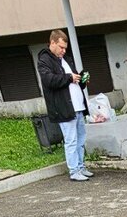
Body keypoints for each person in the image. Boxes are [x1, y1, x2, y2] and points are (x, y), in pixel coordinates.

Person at [38, 30, 92, 181]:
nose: (63, 51)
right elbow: (49, 80)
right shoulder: (44, 60)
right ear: (52, 43)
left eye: (65, 48)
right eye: (61, 47)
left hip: (78, 107)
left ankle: (81, 166)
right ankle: (74, 171)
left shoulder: (66, 59)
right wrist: (69, 77)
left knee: (80, 139)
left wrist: (82, 79)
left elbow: (73, 81)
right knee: (71, 140)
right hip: (64, 108)